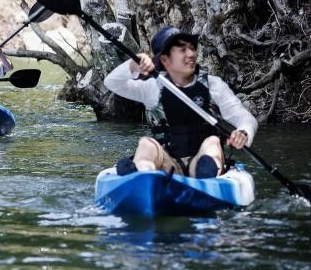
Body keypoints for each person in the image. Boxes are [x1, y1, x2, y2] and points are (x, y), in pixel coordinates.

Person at [103, 25, 258, 179]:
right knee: (146, 144)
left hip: (202, 162)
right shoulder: (151, 88)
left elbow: (245, 118)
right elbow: (111, 83)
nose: (190, 54)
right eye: (181, 50)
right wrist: (132, 65)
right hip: (167, 164)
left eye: (190, 48)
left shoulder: (213, 85)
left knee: (212, 142)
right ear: (165, 60)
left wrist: (243, 132)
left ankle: (205, 177)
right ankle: (143, 173)